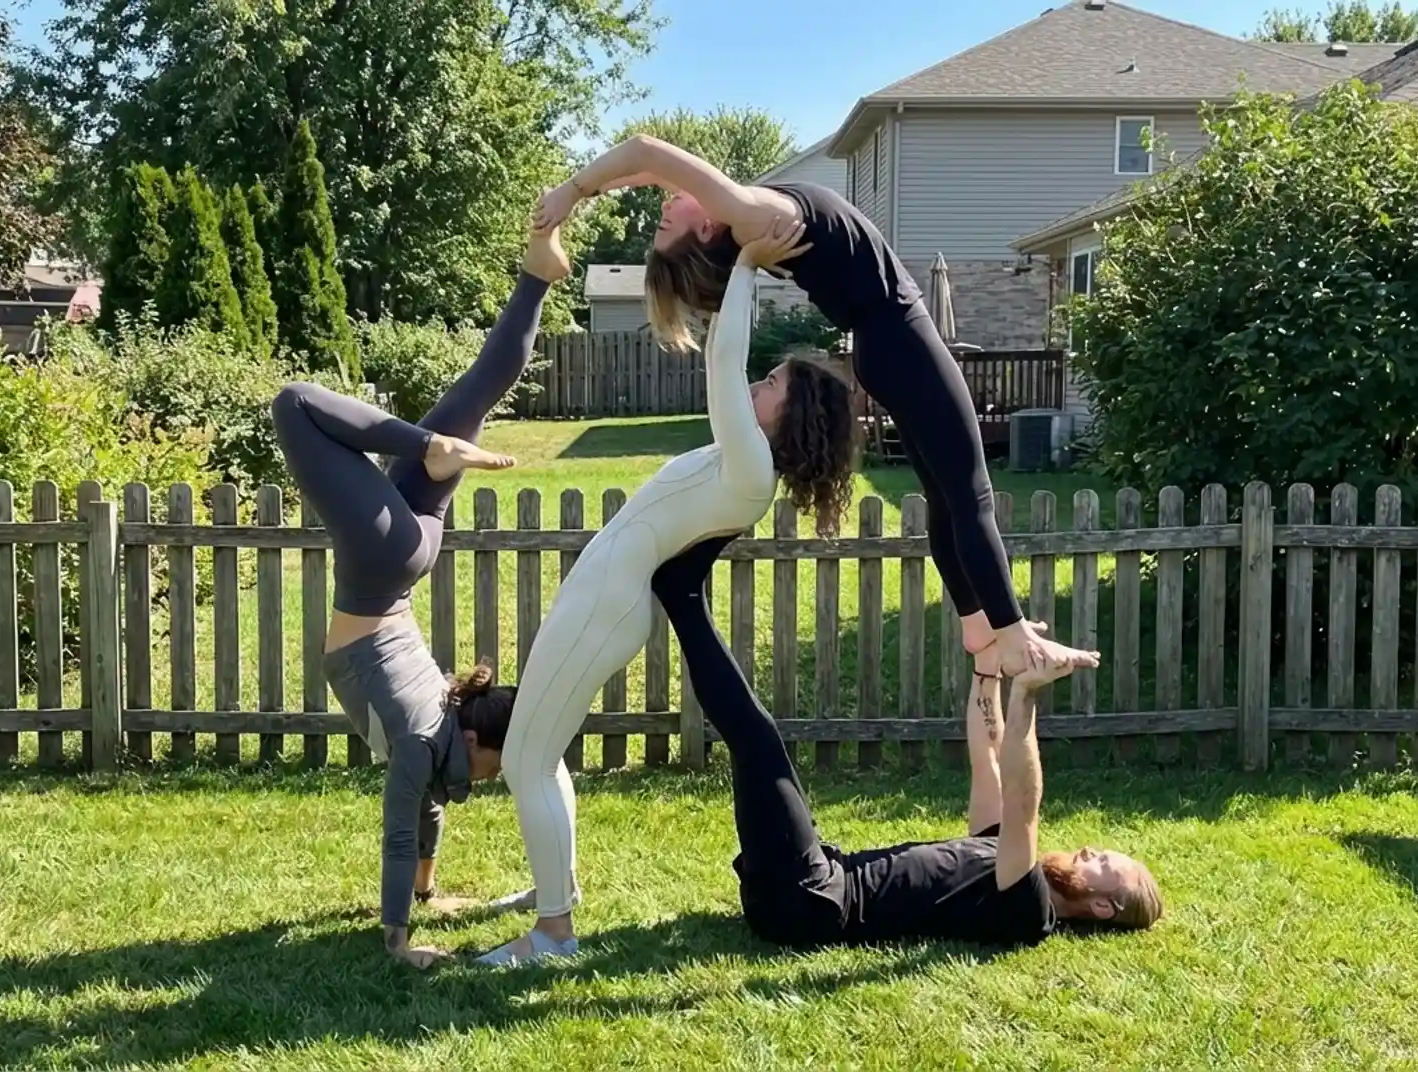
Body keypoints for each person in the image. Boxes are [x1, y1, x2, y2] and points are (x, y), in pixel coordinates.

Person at [530, 137, 1099, 685]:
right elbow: (646, 150)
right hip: (901, 337)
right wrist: (570, 192)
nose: (664, 204)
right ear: (705, 228)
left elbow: (652, 169)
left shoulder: (741, 219)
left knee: (946, 497)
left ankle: (979, 628)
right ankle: (1015, 638)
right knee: (971, 495)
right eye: (667, 223)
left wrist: (592, 193)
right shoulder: (745, 211)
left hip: (881, 346)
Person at [479, 218, 862, 966]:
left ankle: (553, 933)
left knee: (526, 757)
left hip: (609, 605)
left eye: (774, 385)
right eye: (768, 376)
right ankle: (556, 889)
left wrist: (747, 262)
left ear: (791, 415)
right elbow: (728, 357)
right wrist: (729, 267)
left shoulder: (750, 472)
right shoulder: (738, 459)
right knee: (540, 748)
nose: (759, 383)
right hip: (600, 596)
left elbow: (722, 357)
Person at [268, 225, 569, 969]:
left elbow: (427, 805)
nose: (497, 779)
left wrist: (430, 893)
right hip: (382, 567)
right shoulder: (422, 741)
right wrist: (399, 942)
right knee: (294, 404)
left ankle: (537, 278)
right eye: (500, 764)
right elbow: (400, 829)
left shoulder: (437, 742)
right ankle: (431, 445)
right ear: (474, 741)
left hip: (399, 565)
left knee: (478, 389)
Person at [650, 535, 1163, 949]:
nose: (1091, 850)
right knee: (758, 744)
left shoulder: (1029, 909)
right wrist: (988, 666)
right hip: (821, 881)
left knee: (758, 742)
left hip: (812, 903)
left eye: (1103, 864)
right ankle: (682, 591)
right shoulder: (998, 848)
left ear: (1102, 906)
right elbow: (988, 755)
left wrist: (1026, 693)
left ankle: (682, 592)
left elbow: (1023, 802)